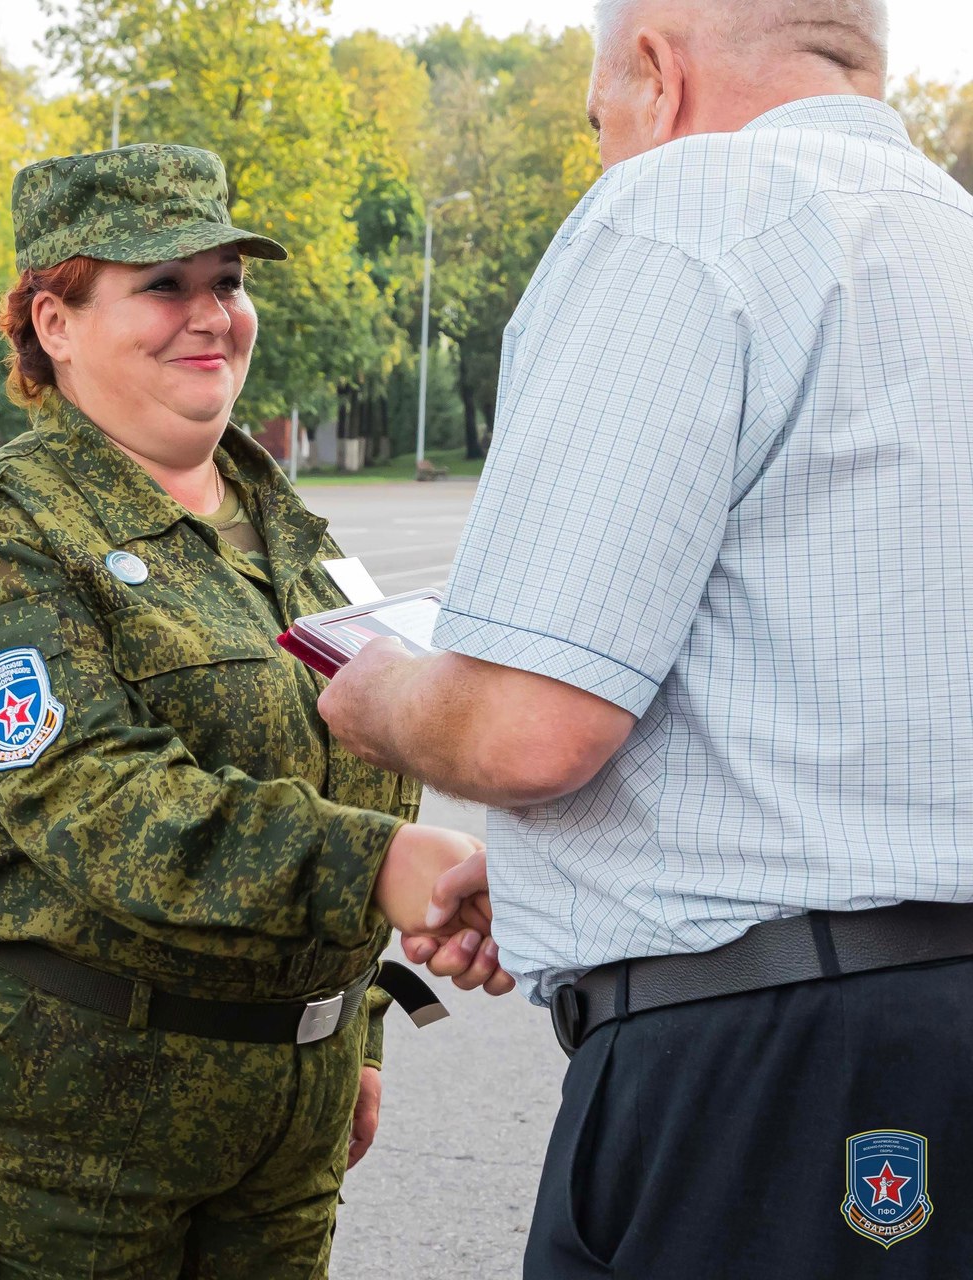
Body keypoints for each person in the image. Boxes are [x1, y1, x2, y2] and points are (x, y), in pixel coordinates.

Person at [319, 1, 973, 1275]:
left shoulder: (682, 209)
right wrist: (582, 876)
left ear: (656, 79)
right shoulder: (950, 242)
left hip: (765, 1072)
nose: (603, 155)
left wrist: (378, 693)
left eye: (595, 119)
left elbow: (525, 725)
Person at [0, 143, 507, 1280]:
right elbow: (97, 801)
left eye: (228, 283)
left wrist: (343, 1029)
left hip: (278, 1129)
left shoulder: (287, 525)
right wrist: (374, 865)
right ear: (53, 322)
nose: (210, 315)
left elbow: (345, 773)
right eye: (164, 285)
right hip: (52, 1134)